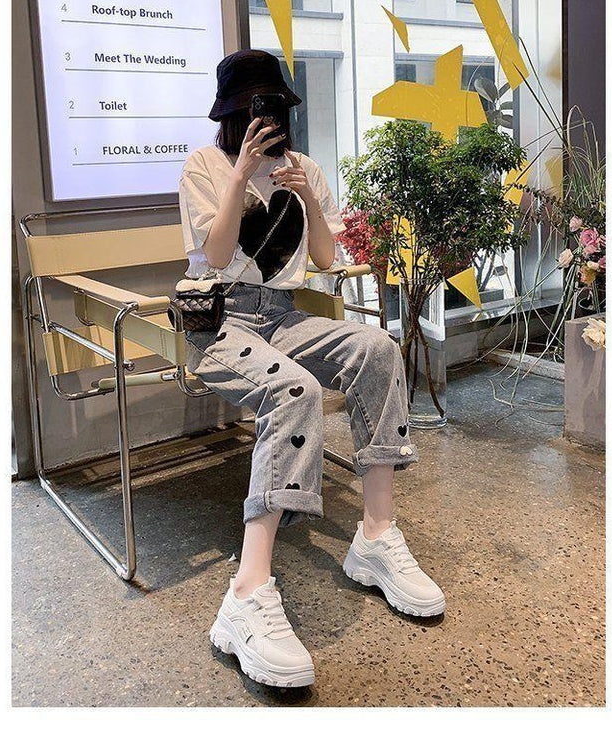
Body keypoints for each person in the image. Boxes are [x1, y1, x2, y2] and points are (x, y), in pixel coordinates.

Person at [179, 50, 445, 688]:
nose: (263, 121)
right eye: (251, 110)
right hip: (220, 322)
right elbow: (213, 257)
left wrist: (309, 198)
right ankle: (246, 593)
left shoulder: (305, 171)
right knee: (293, 390)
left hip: (285, 316)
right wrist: (242, 176)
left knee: (377, 348)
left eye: (272, 109)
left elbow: (327, 257)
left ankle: (376, 537)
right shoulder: (205, 166)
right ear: (233, 116)